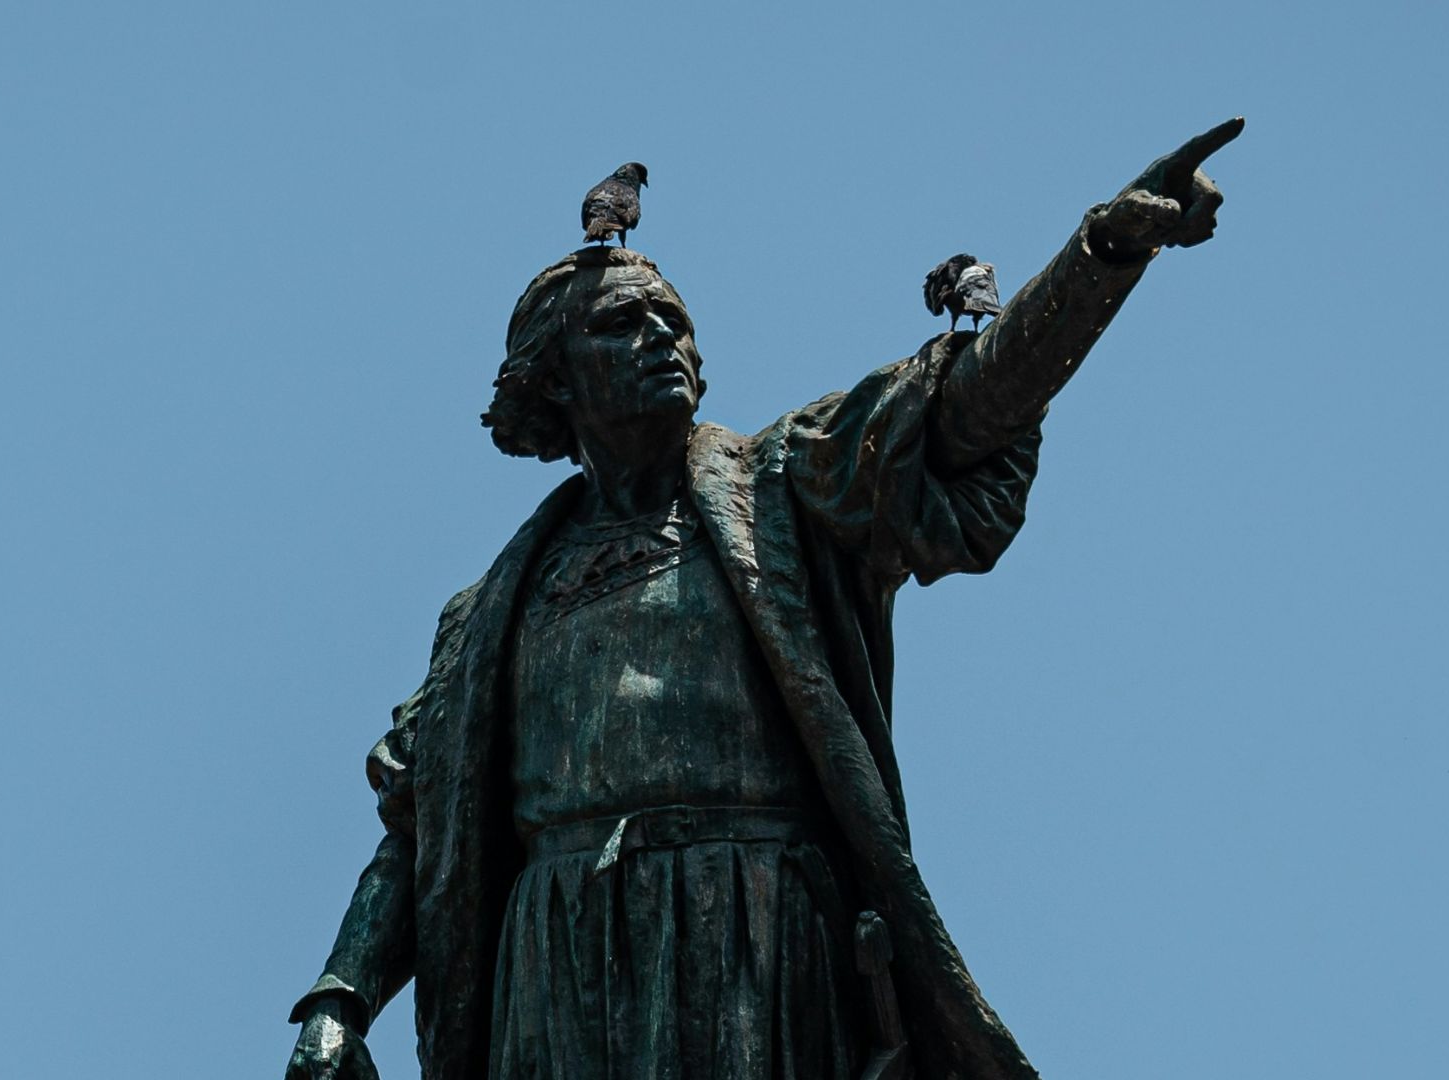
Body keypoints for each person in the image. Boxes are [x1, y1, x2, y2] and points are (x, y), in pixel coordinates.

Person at [285, 120, 1242, 1080]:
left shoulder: (786, 489)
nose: (664, 337)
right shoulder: (488, 611)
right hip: (556, 962)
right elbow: (426, 838)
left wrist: (1104, 256)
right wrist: (341, 998)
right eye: (625, 324)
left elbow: (966, 404)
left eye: (676, 322)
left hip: (759, 929)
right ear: (554, 382)